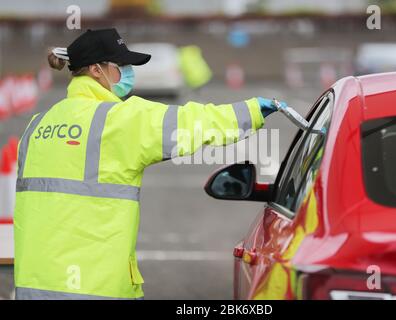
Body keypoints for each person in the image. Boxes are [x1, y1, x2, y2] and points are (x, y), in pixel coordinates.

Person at [13, 28, 286, 300]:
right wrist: (251, 110)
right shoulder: (116, 120)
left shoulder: (36, 125)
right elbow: (192, 123)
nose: (128, 72)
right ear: (97, 70)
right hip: (92, 288)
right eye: (121, 66)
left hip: (33, 287)